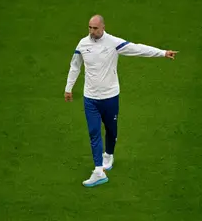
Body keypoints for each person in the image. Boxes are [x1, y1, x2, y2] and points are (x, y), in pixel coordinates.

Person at [64, 14, 178, 187]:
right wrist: (68, 88)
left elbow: (137, 49)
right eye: (90, 28)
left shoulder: (113, 43)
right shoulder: (82, 44)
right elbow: (75, 65)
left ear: (103, 27)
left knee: (111, 130)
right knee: (94, 132)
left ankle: (108, 155)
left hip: (110, 97)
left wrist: (162, 53)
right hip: (90, 99)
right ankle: (98, 171)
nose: (92, 31)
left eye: (95, 28)